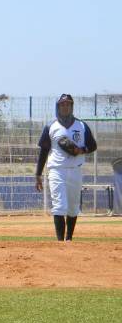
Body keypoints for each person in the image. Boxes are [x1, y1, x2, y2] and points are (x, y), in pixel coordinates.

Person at [35, 93, 97, 242]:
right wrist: (38, 174)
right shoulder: (51, 126)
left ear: (72, 106)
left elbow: (93, 145)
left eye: (68, 104)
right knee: (59, 205)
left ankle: (69, 239)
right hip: (57, 170)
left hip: (75, 170)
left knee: (73, 206)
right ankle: (60, 242)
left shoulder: (81, 126)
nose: (65, 106)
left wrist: (81, 150)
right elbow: (43, 151)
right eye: (62, 104)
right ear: (58, 107)